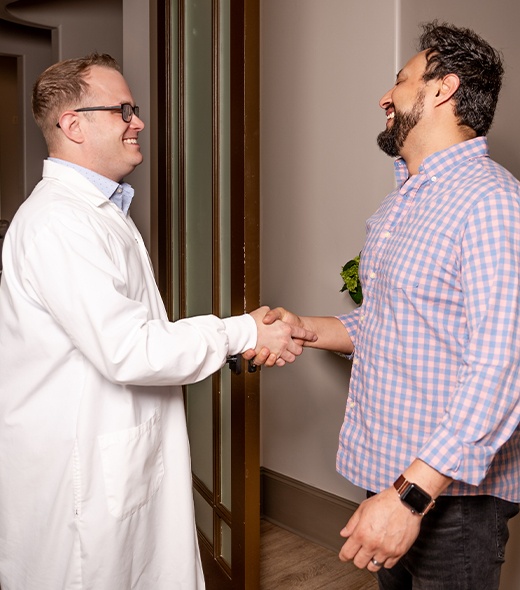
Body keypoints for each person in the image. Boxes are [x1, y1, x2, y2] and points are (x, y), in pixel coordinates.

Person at [0, 53, 316, 590]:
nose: (138, 121)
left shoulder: (100, 213)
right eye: (123, 109)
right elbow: (130, 349)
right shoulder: (61, 222)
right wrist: (244, 332)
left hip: (114, 459)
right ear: (73, 125)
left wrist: (250, 331)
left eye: (135, 109)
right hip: (81, 480)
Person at [253, 21, 520, 589]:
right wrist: (306, 328)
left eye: (400, 81)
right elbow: (390, 324)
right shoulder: (402, 202)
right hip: (389, 476)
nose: (385, 96)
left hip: (445, 496)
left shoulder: (492, 204)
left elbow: (505, 368)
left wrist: (410, 497)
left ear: (442, 89)